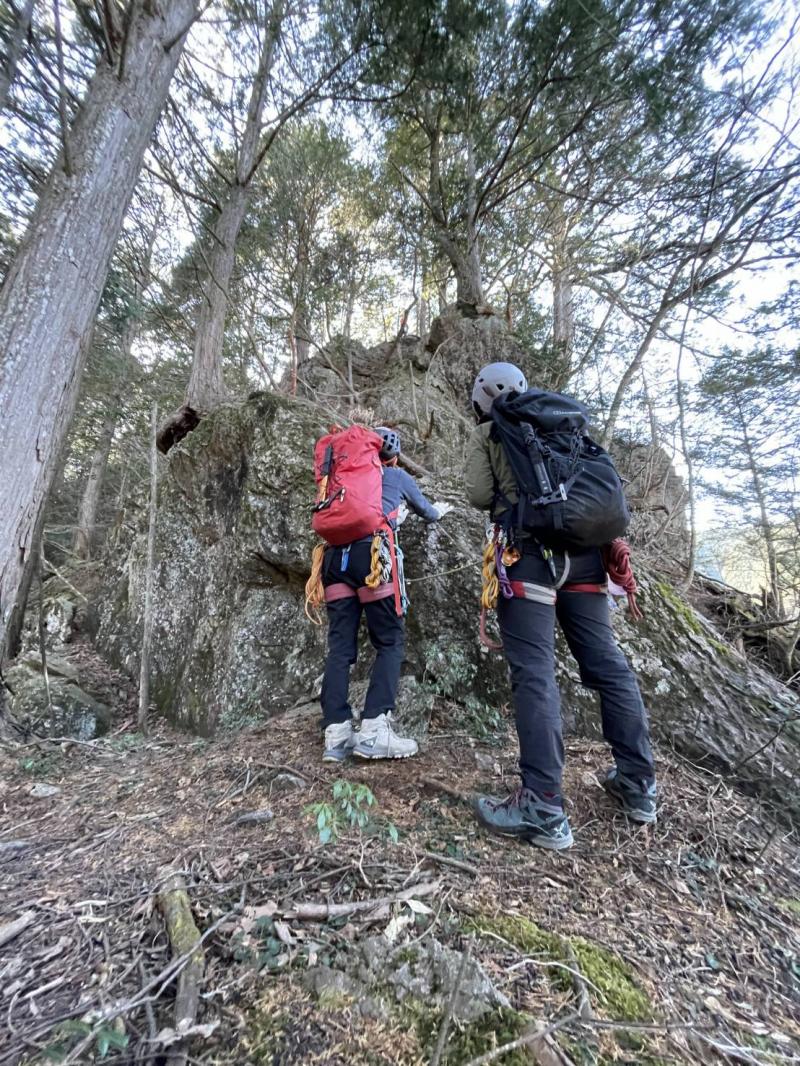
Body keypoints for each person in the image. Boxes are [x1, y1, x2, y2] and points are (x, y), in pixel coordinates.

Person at [465, 363, 657, 850]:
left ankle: (544, 806)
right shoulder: (566, 426)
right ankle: (638, 784)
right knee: (608, 665)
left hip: (528, 557)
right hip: (588, 560)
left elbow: (478, 495)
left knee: (534, 671)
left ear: (482, 398)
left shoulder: (492, 432)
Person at [321, 426, 451, 762]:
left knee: (340, 647)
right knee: (390, 641)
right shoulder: (395, 476)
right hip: (373, 555)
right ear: (392, 455)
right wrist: (439, 511)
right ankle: (374, 730)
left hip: (334, 558)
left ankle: (336, 734)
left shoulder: (340, 480)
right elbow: (428, 511)